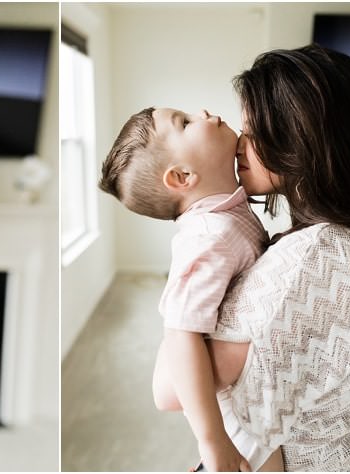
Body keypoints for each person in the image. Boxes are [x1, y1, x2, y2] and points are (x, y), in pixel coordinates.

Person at [209, 45, 350, 471]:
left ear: (301, 137)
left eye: (252, 131)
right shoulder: (344, 236)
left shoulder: (314, 254)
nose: (237, 146)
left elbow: (175, 389)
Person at [99, 106, 266, 472]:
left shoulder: (225, 216)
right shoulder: (209, 237)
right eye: (186, 123)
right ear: (182, 176)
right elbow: (179, 334)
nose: (205, 112)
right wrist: (213, 440)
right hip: (237, 414)